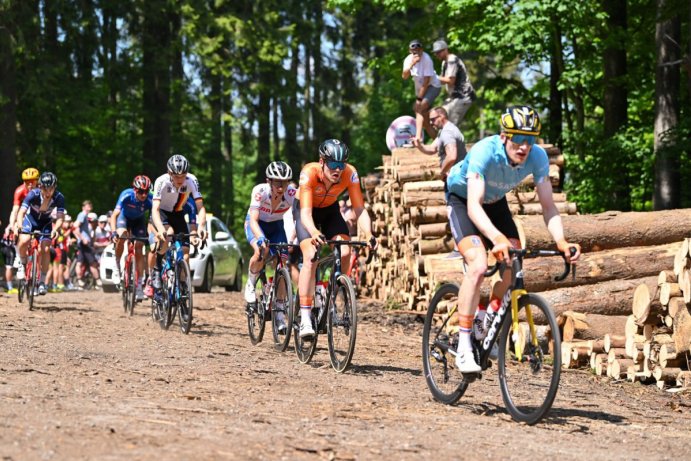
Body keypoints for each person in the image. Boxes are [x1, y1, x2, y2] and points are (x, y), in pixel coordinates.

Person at [445, 105, 581, 373]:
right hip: (463, 200)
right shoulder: (485, 151)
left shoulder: (538, 158)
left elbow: (549, 207)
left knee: (514, 264)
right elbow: (474, 205)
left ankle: (483, 320)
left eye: (530, 140)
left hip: (495, 203)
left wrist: (562, 242)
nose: (524, 146)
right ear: (504, 136)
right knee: (479, 265)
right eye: (518, 138)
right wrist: (496, 237)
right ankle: (463, 346)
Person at [295, 139, 376, 338]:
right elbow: (305, 214)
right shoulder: (309, 173)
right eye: (333, 164)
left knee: (346, 251)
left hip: (330, 210)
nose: (338, 170)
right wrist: (314, 232)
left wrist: (369, 234)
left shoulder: (350, 173)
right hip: (306, 211)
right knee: (311, 255)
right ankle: (305, 316)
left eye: (341, 165)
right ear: (322, 161)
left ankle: (332, 292)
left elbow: (359, 209)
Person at [243, 161, 297, 333]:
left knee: (283, 264)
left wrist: (297, 238)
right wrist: (260, 238)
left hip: (276, 227)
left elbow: (301, 217)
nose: (280, 186)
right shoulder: (260, 191)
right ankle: (251, 283)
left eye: (285, 182)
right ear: (269, 181)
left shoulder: (291, 194)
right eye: (276, 182)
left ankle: (280, 313)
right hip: (257, 225)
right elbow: (253, 220)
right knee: (262, 251)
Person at [150, 154, 207, 299]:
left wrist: (201, 227)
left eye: (183, 176)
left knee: (186, 251)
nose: (180, 180)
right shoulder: (161, 181)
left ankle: (182, 285)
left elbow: (200, 207)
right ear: (169, 173)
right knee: (168, 233)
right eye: (176, 176)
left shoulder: (192, 180)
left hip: (178, 213)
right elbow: (155, 209)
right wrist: (161, 229)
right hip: (162, 213)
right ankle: (157, 268)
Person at [14, 172, 65, 296]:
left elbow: (60, 218)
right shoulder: (33, 194)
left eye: (51, 188)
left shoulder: (59, 197)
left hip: (46, 223)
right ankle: (22, 263)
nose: (48, 192)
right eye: (45, 188)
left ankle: (42, 282)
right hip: (30, 220)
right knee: (24, 240)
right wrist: (20, 225)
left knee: (46, 249)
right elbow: (21, 212)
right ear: (40, 186)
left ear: (55, 187)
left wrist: (56, 229)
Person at [110, 175, 153, 301]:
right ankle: (116, 266)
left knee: (139, 248)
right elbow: (114, 216)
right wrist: (113, 232)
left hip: (139, 221)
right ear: (135, 190)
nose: (144, 195)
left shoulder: (150, 199)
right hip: (124, 219)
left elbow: (151, 221)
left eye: (146, 191)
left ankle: (139, 285)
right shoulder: (126, 195)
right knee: (122, 236)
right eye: (141, 191)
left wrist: (151, 236)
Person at [3, 167, 40, 293]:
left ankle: (37, 278)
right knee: (24, 238)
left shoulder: (42, 190)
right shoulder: (19, 191)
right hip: (23, 217)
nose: (30, 184)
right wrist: (12, 225)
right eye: (27, 181)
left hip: (38, 217)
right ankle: (20, 259)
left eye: (32, 181)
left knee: (41, 248)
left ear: (37, 181)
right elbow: (15, 210)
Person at [411, 106, 466, 182]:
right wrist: (419, 146)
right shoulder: (443, 131)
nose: (430, 123)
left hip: (456, 178)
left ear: (441, 116)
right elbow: (433, 149)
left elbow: (451, 156)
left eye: (433, 120)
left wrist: (442, 172)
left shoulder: (447, 133)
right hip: (454, 177)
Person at [402, 39, 442, 142]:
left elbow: (426, 82)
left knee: (418, 108)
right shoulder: (408, 60)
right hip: (421, 89)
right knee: (426, 124)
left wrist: (419, 99)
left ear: (422, 50)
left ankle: (418, 137)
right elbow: (404, 76)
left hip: (433, 86)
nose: (417, 53)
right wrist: (412, 64)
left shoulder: (427, 59)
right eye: (414, 51)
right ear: (410, 51)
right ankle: (440, 143)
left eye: (419, 50)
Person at [431, 40, 476, 129]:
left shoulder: (452, 60)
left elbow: (450, 80)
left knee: (449, 125)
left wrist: (432, 76)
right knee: (439, 115)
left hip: (463, 97)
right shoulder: (445, 62)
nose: (437, 55)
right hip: (454, 98)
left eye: (439, 52)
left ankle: (453, 142)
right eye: (435, 53)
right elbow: (443, 80)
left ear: (446, 50)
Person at [73, 201, 102, 288]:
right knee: (92, 262)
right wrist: (82, 239)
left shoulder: (85, 216)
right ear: (83, 207)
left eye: (90, 206)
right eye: (87, 206)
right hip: (84, 243)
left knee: (80, 262)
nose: (89, 207)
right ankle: (97, 281)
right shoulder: (82, 215)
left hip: (84, 243)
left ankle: (80, 280)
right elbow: (75, 227)